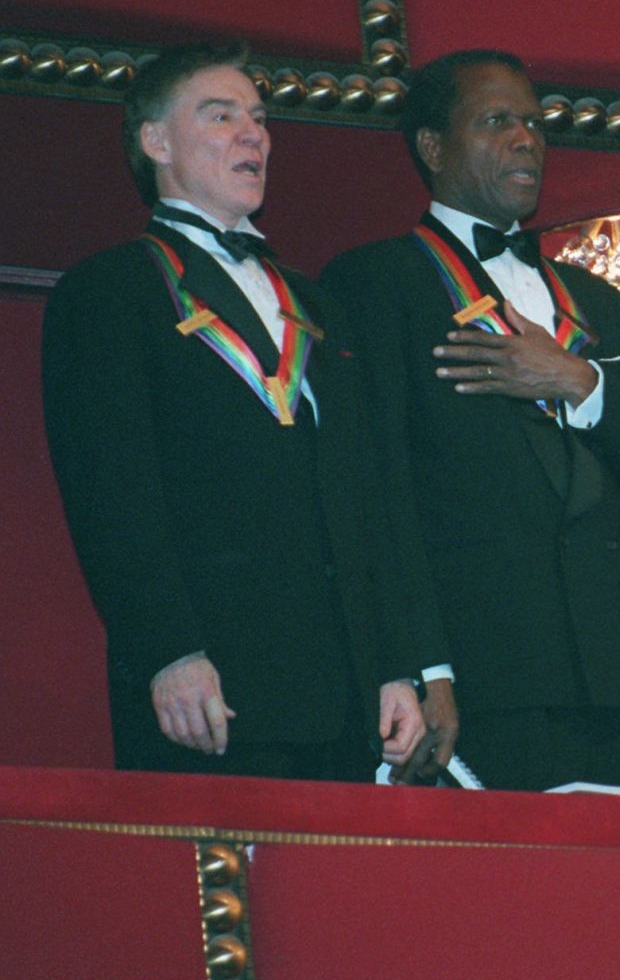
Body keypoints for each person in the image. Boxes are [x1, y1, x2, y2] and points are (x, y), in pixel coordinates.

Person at [41, 41, 437, 780]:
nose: (254, 134)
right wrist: (169, 650)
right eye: (220, 116)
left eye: (258, 119)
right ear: (155, 141)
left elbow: (367, 495)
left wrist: (393, 667)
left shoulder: (314, 300)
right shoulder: (108, 291)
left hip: (341, 698)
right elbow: (110, 494)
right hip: (208, 694)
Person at [321, 49, 620, 793]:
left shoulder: (596, 299)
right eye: (497, 121)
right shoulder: (374, 281)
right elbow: (378, 494)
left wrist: (578, 380)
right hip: (485, 672)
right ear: (433, 147)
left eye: (533, 121)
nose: (527, 137)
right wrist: (425, 664)